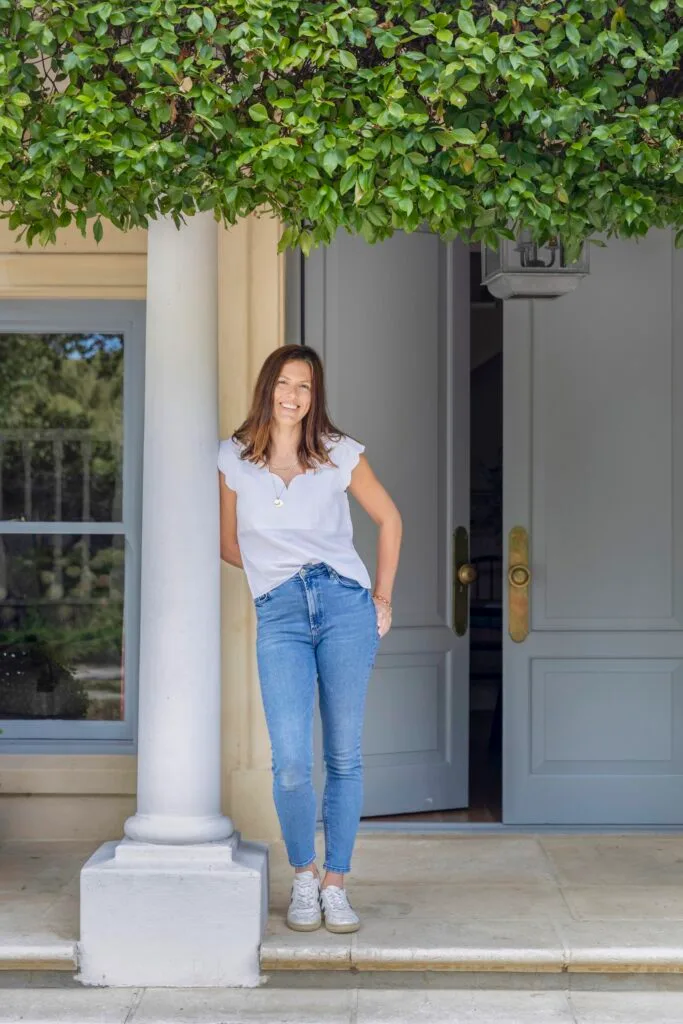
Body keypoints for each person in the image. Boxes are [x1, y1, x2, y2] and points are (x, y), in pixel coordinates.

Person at [218, 344, 402, 934]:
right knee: (293, 761)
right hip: (281, 613)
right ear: (266, 386)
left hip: (346, 607)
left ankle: (336, 882)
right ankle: (303, 876)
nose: (293, 395)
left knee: (344, 755)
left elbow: (390, 519)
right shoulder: (234, 458)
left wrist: (382, 598)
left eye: (305, 386)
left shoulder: (340, 455)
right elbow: (228, 544)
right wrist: (279, 578)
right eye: (284, 383)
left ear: (314, 395)